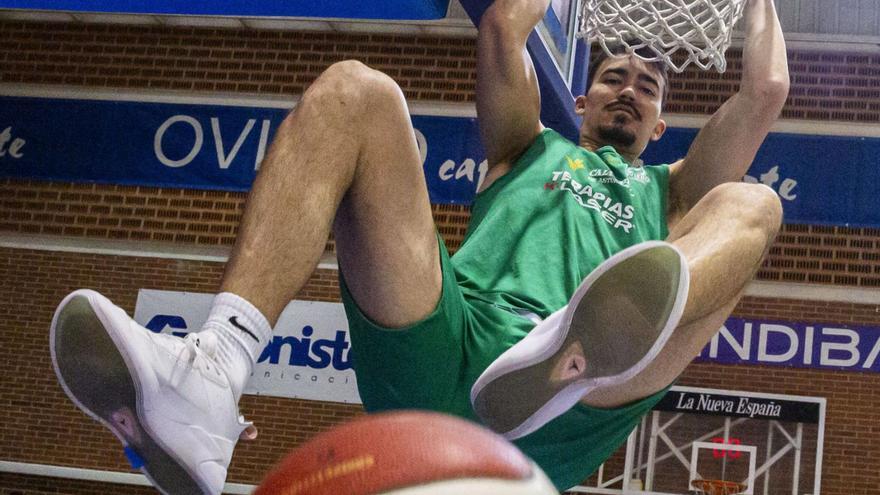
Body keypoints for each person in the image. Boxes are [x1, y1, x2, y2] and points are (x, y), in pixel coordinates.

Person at [48, 0, 789, 492]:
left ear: (661, 123)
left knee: (754, 201)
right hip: (450, 337)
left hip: (575, 398)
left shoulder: (672, 192)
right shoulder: (524, 142)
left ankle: (585, 343)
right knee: (355, 91)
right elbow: (506, 24)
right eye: (615, 77)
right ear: (584, 98)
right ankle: (209, 376)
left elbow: (767, 91)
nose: (630, 89)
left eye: (649, 86)